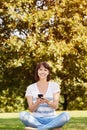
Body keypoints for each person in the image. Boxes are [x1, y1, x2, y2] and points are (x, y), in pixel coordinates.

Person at [19, 61, 70, 130]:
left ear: (48, 72)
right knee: (22, 115)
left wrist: (47, 101)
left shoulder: (54, 86)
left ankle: (39, 129)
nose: (43, 72)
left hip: (52, 119)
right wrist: (37, 102)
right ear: (37, 71)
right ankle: (50, 127)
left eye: (45, 70)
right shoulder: (30, 88)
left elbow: (55, 106)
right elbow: (31, 109)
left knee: (66, 115)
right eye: (40, 70)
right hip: (36, 120)